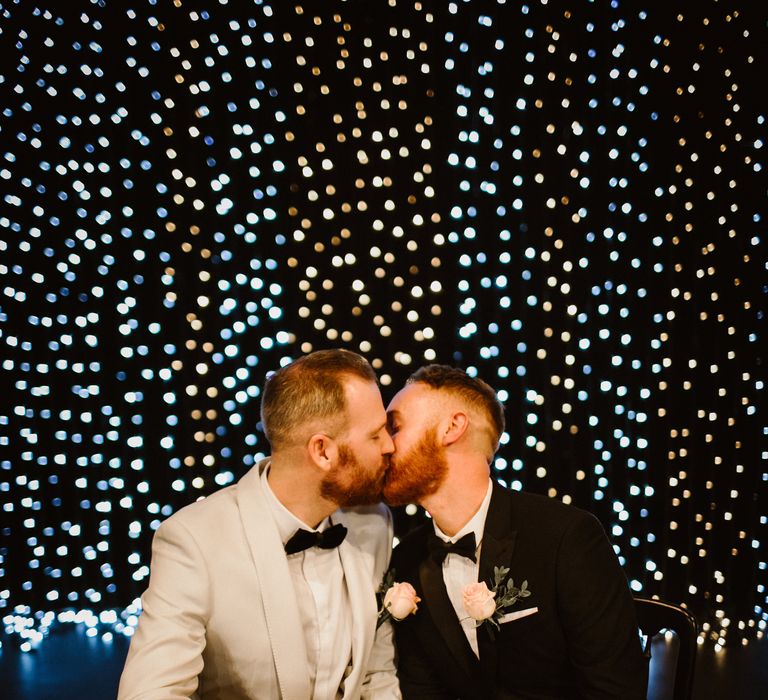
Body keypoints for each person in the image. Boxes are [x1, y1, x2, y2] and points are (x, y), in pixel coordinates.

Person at [118, 349, 402, 700]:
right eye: (375, 436)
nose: (390, 446)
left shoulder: (372, 525)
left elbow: (376, 674)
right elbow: (152, 692)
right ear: (323, 451)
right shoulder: (193, 540)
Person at [382, 364, 647, 699]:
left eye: (395, 427)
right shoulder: (407, 557)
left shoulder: (566, 538)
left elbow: (615, 690)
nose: (385, 447)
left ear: (451, 427)